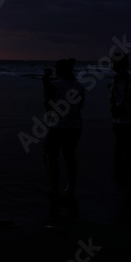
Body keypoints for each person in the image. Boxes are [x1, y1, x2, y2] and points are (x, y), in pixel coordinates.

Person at [41, 58, 86, 198]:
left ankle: (54, 187)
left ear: (58, 70)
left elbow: (47, 104)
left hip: (57, 125)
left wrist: (46, 82)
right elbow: (80, 105)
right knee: (70, 157)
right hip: (74, 125)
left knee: (51, 156)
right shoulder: (79, 86)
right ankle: (70, 188)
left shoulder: (53, 85)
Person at [110, 53, 131, 186]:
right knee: (120, 146)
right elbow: (113, 98)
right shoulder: (116, 80)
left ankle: (123, 175)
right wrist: (112, 106)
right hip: (118, 119)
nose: (113, 66)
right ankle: (121, 174)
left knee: (124, 147)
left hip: (126, 119)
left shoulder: (122, 80)